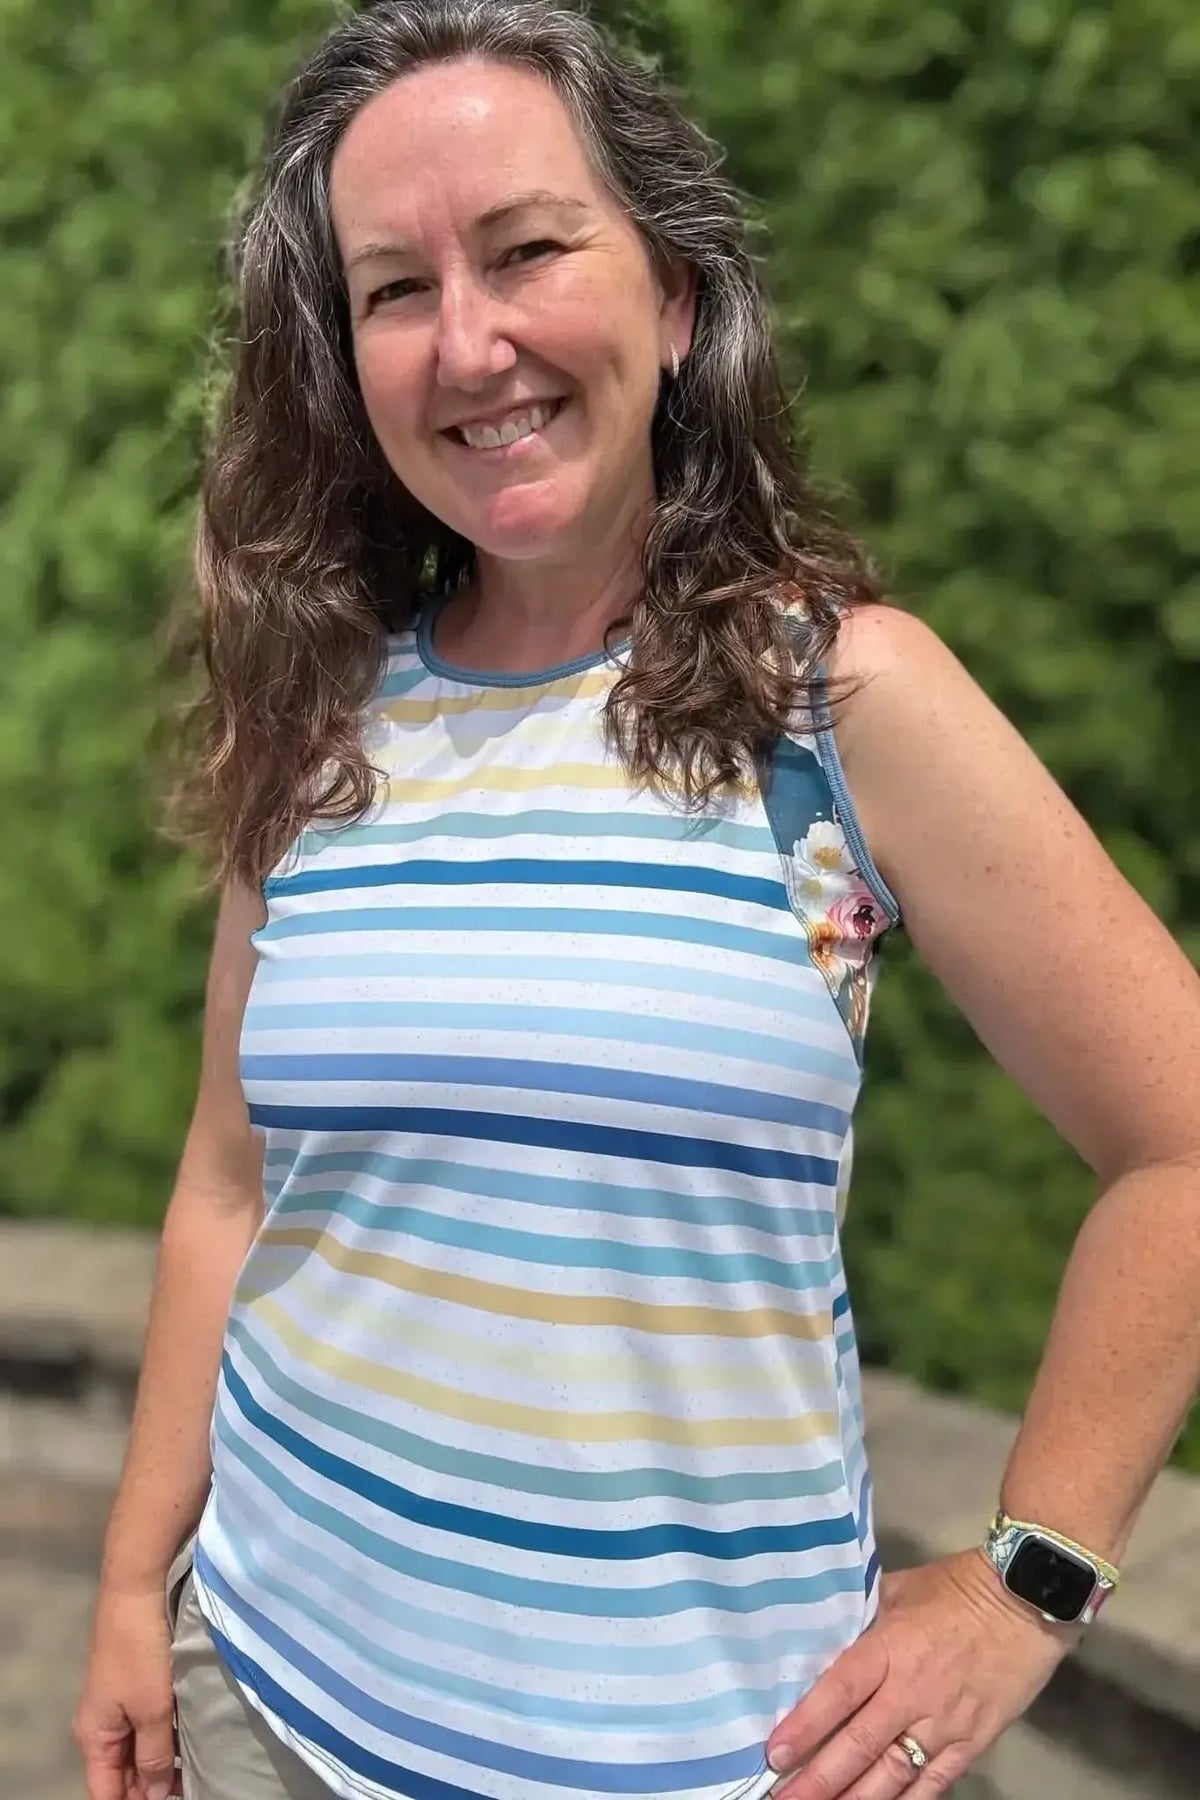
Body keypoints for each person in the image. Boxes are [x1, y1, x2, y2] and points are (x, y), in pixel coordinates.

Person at [74, 4, 1200, 1800]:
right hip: (270, 1697)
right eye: (392, 289)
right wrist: (140, 1580)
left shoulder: (835, 706)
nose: (471, 340)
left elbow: (1183, 1145)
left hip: (705, 1757)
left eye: (527, 249)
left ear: (676, 299)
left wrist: (1026, 1585)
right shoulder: (324, 717)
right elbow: (228, 1178)